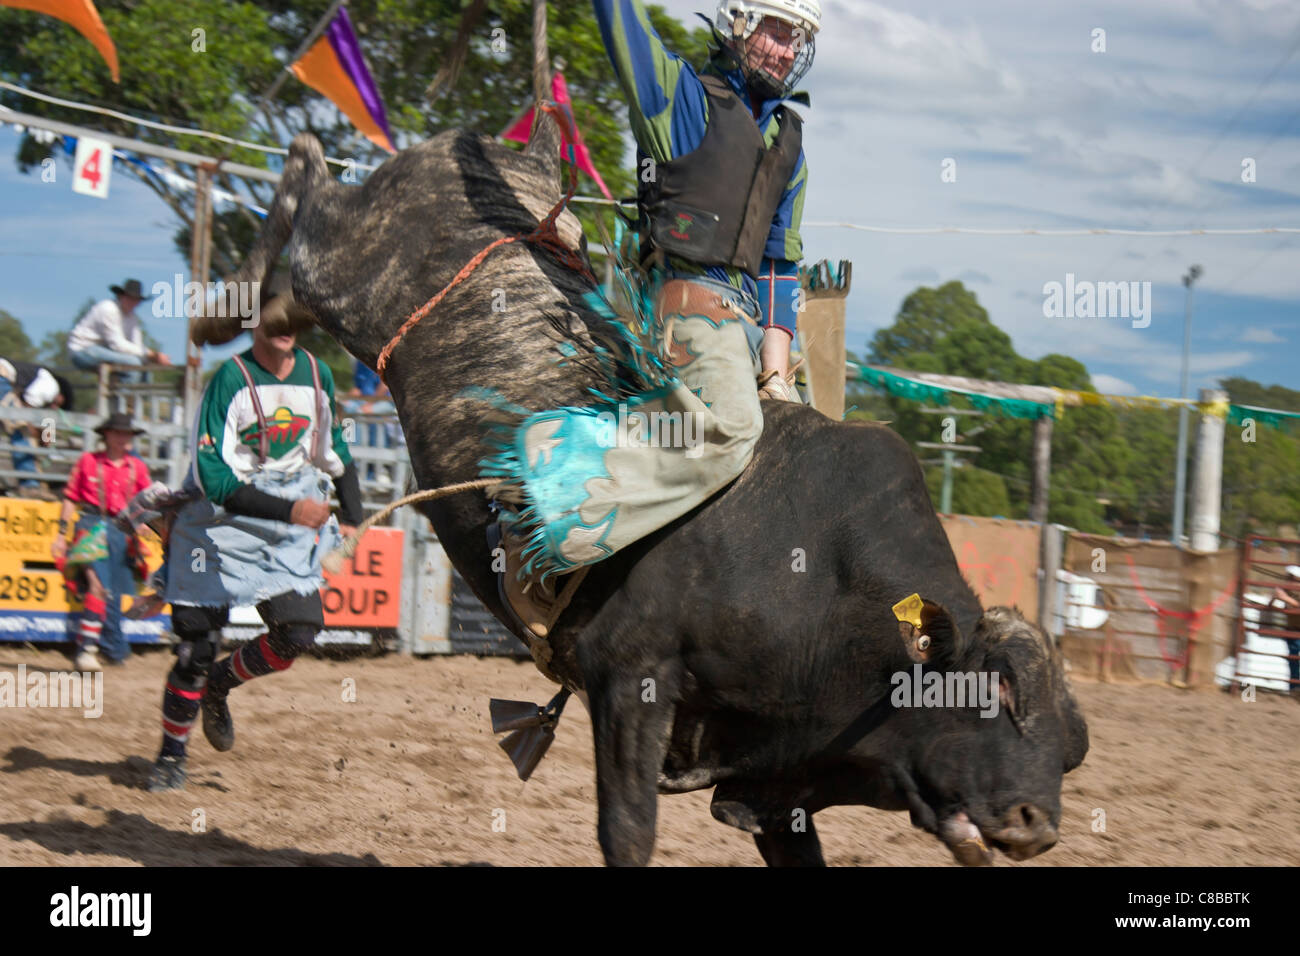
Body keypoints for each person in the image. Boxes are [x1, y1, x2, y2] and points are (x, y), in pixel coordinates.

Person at [487, 0, 821, 639]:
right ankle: (544, 504)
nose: (785, 51)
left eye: (797, 39)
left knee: (813, 452)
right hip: (684, 306)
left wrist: (778, 373)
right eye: (778, 31)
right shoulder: (679, 98)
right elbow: (621, 21)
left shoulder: (792, 146)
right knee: (732, 428)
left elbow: (782, 262)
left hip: (758, 332)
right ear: (739, 24)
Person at [146, 318, 363, 792]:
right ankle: (170, 754)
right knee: (194, 648)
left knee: (299, 633)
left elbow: (336, 452)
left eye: (292, 318)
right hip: (216, 524)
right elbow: (216, 481)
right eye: (274, 317)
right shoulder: (229, 379)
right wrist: (293, 510)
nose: (285, 328)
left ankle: (220, 685)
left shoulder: (315, 373)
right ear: (254, 322)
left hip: (281, 526)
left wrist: (352, 516)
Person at [50, 413, 153, 670]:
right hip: (91, 525)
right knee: (98, 585)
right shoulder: (88, 461)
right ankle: (88, 649)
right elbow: (71, 497)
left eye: (127, 433)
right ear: (107, 435)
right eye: (120, 433)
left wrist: (145, 523)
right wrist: (62, 533)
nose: (125, 438)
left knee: (113, 592)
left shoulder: (136, 467)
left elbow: (149, 500)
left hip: (121, 529)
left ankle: (113, 649)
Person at [0, 357, 75, 493]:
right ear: (62, 395)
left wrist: (45, 436)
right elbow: (26, 416)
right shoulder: (51, 387)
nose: (56, 409)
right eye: (59, 405)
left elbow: (46, 423)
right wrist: (41, 435)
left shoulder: (39, 385)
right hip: (1, 376)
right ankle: (30, 484)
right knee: (21, 430)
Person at [68, 279, 172, 374]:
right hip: (82, 350)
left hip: (102, 350)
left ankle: (141, 394)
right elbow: (117, 345)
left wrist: (152, 358)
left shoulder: (132, 318)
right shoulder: (108, 309)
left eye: (136, 299)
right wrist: (153, 355)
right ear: (121, 296)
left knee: (144, 366)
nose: (133, 302)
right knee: (133, 363)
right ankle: (125, 394)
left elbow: (136, 345)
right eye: (129, 298)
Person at [1270, 565, 1300, 696]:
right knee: (1293, 658)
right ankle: (1294, 687)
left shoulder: (1291, 592)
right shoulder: (1287, 591)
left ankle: (1294, 686)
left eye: (1289, 577)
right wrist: (1275, 597)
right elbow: (1271, 606)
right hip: (1292, 629)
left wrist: (1284, 598)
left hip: (1295, 629)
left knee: (1293, 657)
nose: (1287, 579)